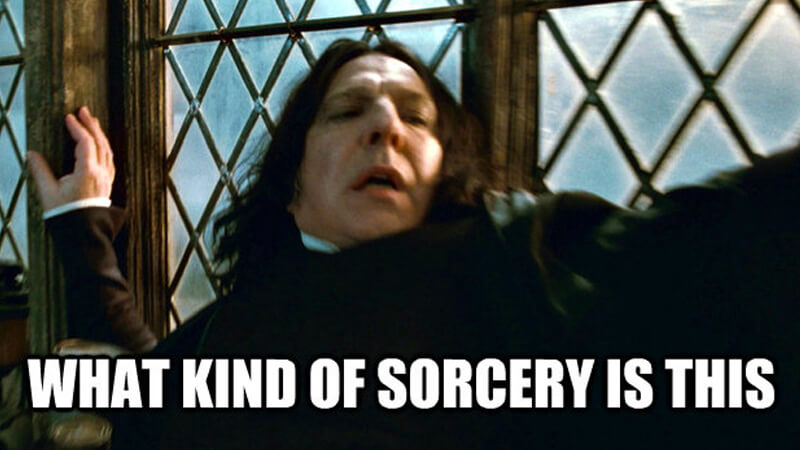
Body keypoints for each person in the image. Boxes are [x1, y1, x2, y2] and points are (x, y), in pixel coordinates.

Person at [28, 39, 799, 449]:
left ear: (444, 170)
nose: (386, 127)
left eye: (416, 116)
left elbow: (714, 245)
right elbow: (150, 382)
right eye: (349, 111)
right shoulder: (238, 325)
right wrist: (81, 221)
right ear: (293, 186)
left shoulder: (517, 263)